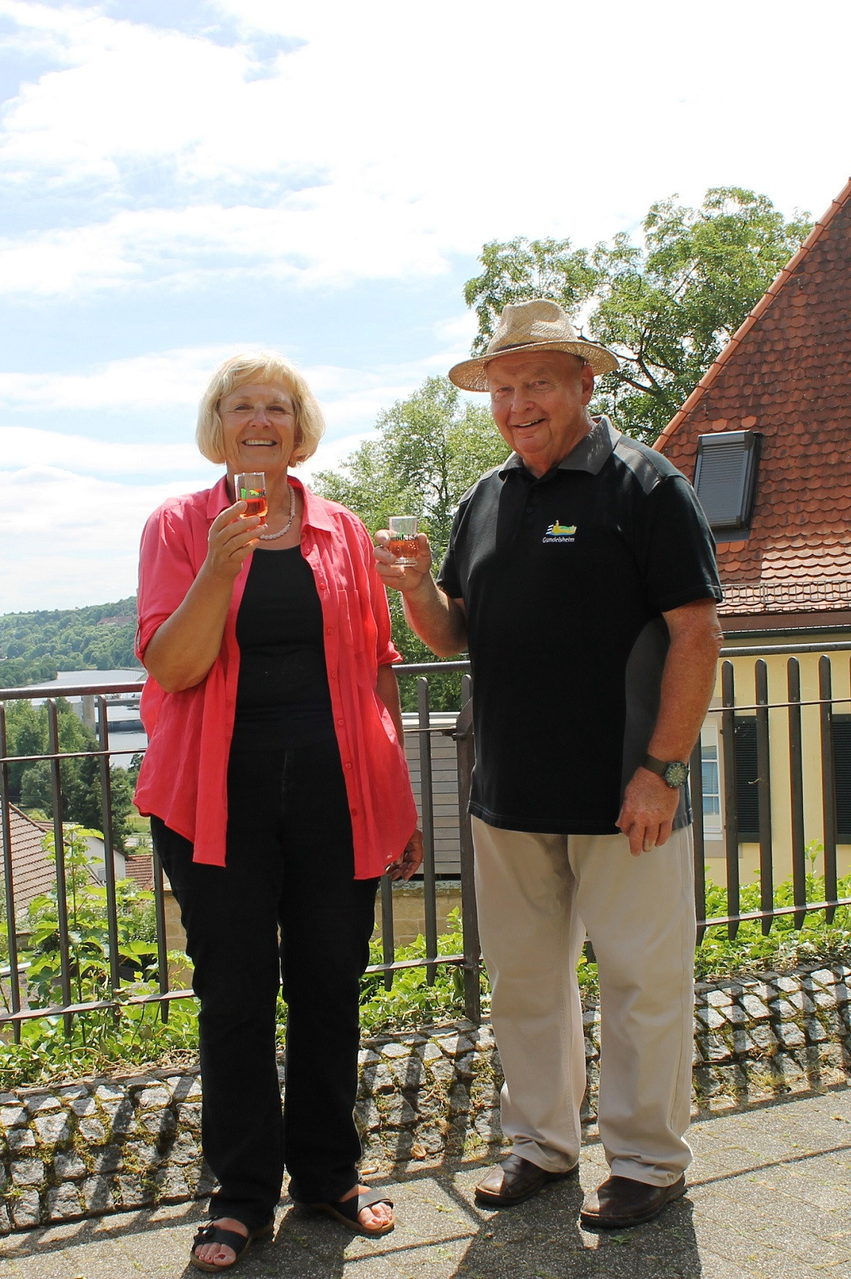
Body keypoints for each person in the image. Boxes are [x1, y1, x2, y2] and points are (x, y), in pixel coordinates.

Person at [378, 299, 723, 1231]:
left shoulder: (646, 487)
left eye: (536, 382)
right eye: (502, 388)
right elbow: (455, 632)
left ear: (584, 381)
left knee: (642, 982)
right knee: (527, 983)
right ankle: (541, 1143)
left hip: (626, 794)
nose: (517, 403)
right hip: (509, 793)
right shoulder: (486, 497)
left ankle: (648, 1162)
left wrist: (662, 768)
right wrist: (417, 587)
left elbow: (697, 634)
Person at [136, 351, 425, 1272]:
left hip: (340, 792)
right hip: (215, 797)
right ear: (217, 425)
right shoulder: (180, 525)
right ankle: (241, 1195)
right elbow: (172, 664)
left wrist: (398, 797)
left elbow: (378, 667)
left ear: (300, 430)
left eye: (277, 407)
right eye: (240, 406)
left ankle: (330, 1174)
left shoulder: (342, 529)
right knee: (235, 993)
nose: (259, 420)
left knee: (331, 982)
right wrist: (219, 569)